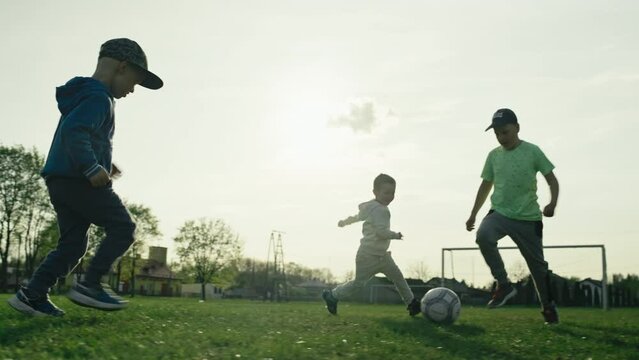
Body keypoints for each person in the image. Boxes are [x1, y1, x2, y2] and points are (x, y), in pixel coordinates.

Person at [8, 38, 163, 317]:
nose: (132, 90)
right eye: (133, 82)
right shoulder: (98, 97)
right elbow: (75, 134)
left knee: (72, 245)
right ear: (121, 67)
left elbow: (82, 134)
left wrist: (104, 163)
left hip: (61, 180)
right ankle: (90, 285)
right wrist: (92, 167)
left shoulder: (84, 95)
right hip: (78, 179)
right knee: (122, 227)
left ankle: (32, 294)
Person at [465, 108, 560, 324]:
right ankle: (504, 284)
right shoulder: (493, 156)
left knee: (538, 269)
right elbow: (485, 185)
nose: (501, 137)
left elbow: (551, 179)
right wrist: (473, 214)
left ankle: (548, 307)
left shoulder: (533, 151)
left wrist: (552, 203)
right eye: (497, 134)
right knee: (483, 236)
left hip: (528, 219)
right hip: (500, 213)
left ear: (517, 128)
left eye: (505, 132)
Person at [322, 174, 420, 316]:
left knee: (398, 277)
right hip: (367, 256)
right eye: (386, 193)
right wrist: (395, 235)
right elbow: (381, 233)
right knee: (358, 284)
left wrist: (344, 222)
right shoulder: (380, 210)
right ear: (375, 192)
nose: (389, 196)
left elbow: (357, 217)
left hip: (382, 256)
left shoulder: (371, 207)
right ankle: (332, 296)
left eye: (392, 193)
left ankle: (412, 303)